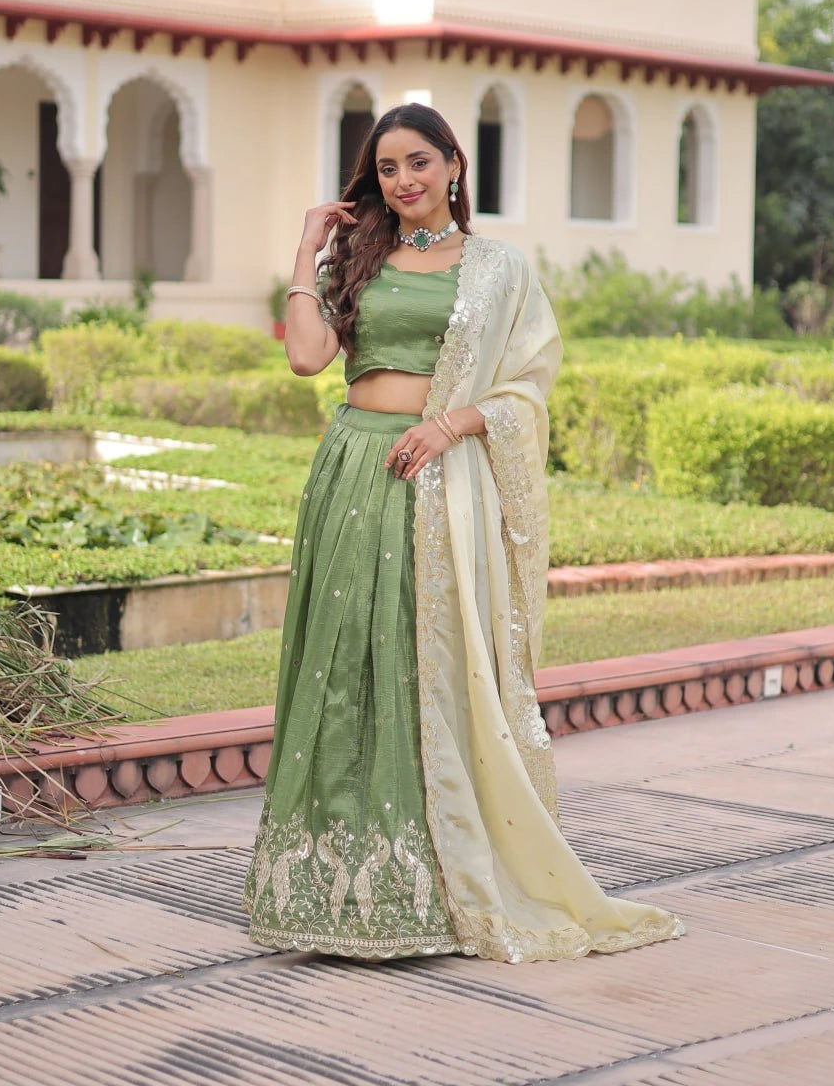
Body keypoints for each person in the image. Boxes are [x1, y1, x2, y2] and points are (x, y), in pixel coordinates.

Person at [243, 103, 683, 962]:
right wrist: (305, 251)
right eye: (385, 169)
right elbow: (305, 357)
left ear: (453, 164)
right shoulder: (359, 258)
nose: (402, 181)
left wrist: (448, 426)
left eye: (417, 162)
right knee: (343, 661)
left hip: (439, 480)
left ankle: (436, 881)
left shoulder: (496, 268)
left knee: (426, 664)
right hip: (353, 471)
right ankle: (335, 887)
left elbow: (528, 384)